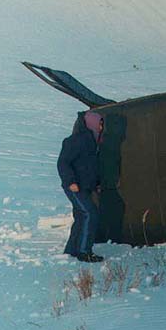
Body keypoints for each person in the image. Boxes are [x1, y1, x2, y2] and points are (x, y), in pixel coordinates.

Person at [57, 111, 105, 263]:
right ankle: (84, 251)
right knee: (90, 214)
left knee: (81, 216)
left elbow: (91, 166)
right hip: (74, 187)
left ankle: (71, 250)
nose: (102, 126)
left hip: (85, 186)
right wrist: (71, 182)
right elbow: (63, 162)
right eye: (100, 122)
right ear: (91, 123)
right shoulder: (78, 140)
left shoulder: (94, 140)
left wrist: (96, 183)